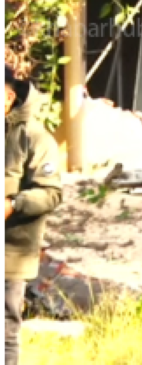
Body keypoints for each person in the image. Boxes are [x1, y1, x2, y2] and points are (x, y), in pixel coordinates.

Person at [5, 66, 62, 365]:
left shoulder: (36, 139)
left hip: (11, 252)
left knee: (5, 332)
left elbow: (51, 193)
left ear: (8, 97)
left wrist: (13, 204)